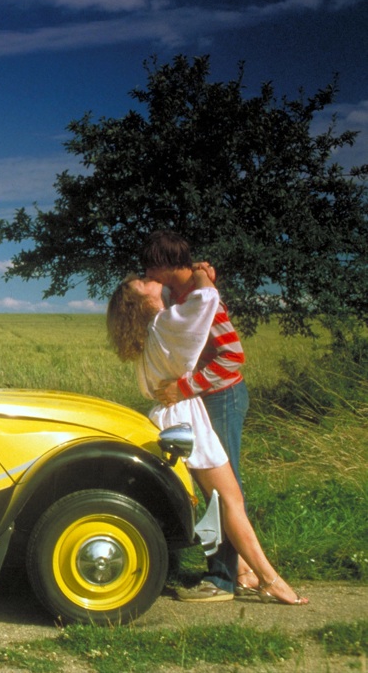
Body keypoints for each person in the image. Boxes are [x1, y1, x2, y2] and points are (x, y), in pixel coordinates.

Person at [107, 268, 308, 606]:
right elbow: (207, 299)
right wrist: (202, 274)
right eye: (143, 282)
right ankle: (270, 579)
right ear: (139, 303)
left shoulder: (149, 335)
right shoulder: (165, 324)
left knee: (217, 499)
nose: (151, 279)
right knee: (230, 501)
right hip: (188, 418)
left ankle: (243, 571)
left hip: (171, 416)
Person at [140, 230, 251, 602]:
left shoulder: (205, 299)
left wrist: (184, 387)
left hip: (222, 398)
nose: (147, 274)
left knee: (221, 491)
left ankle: (221, 580)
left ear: (165, 264)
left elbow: (233, 357)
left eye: (150, 267)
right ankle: (242, 572)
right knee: (213, 490)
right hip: (204, 399)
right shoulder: (181, 293)